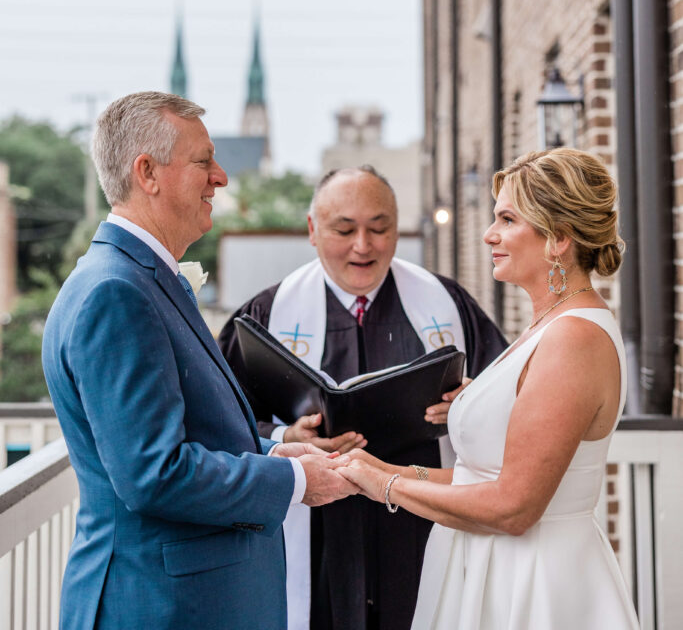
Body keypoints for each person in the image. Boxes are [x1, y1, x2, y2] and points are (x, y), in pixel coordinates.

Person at [42, 92, 355, 630]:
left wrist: (279, 449)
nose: (222, 178)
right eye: (203, 161)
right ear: (148, 173)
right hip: (162, 605)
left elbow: (187, 434)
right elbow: (153, 473)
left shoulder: (142, 278)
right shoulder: (117, 292)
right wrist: (296, 483)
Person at [339, 148, 640, 630]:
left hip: (529, 581)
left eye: (506, 218)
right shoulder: (546, 325)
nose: (489, 235)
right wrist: (383, 468)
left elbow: (514, 506)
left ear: (558, 237)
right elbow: (480, 477)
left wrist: (386, 486)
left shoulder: (574, 339)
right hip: (485, 566)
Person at [218, 165, 507, 630]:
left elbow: (512, 401)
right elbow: (220, 423)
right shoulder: (268, 313)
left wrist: (469, 406)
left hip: (419, 519)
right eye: (345, 229)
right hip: (317, 528)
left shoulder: (447, 304)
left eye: (379, 228)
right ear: (313, 230)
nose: (363, 246)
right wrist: (282, 434)